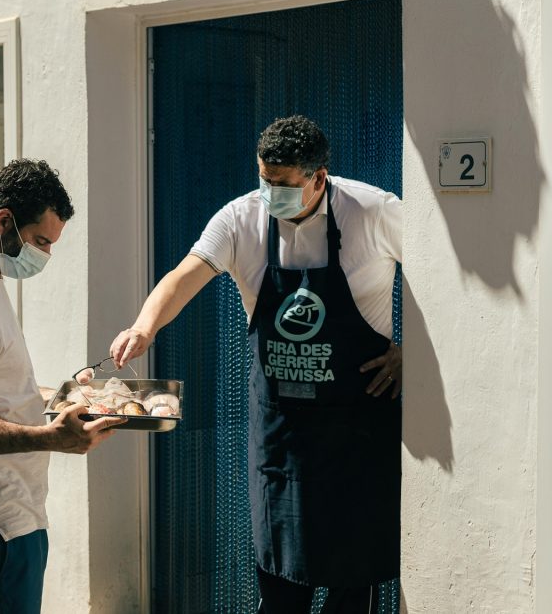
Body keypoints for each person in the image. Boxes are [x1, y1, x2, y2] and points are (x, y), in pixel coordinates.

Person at [110, 115, 402, 613]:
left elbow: (444, 284)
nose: (271, 193)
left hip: (356, 428)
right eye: (264, 180)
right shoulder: (239, 219)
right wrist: (145, 325)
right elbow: (184, 275)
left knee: (354, 585)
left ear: (319, 176)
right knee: (280, 586)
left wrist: (407, 349)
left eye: (284, 185)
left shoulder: (374, 211)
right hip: (281, 435)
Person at [0, 158, 123, 614]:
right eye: (40, 241)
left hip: (6, 528)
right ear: (4, 221)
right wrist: (50, 438)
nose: (45, 255)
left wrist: (65, 396)